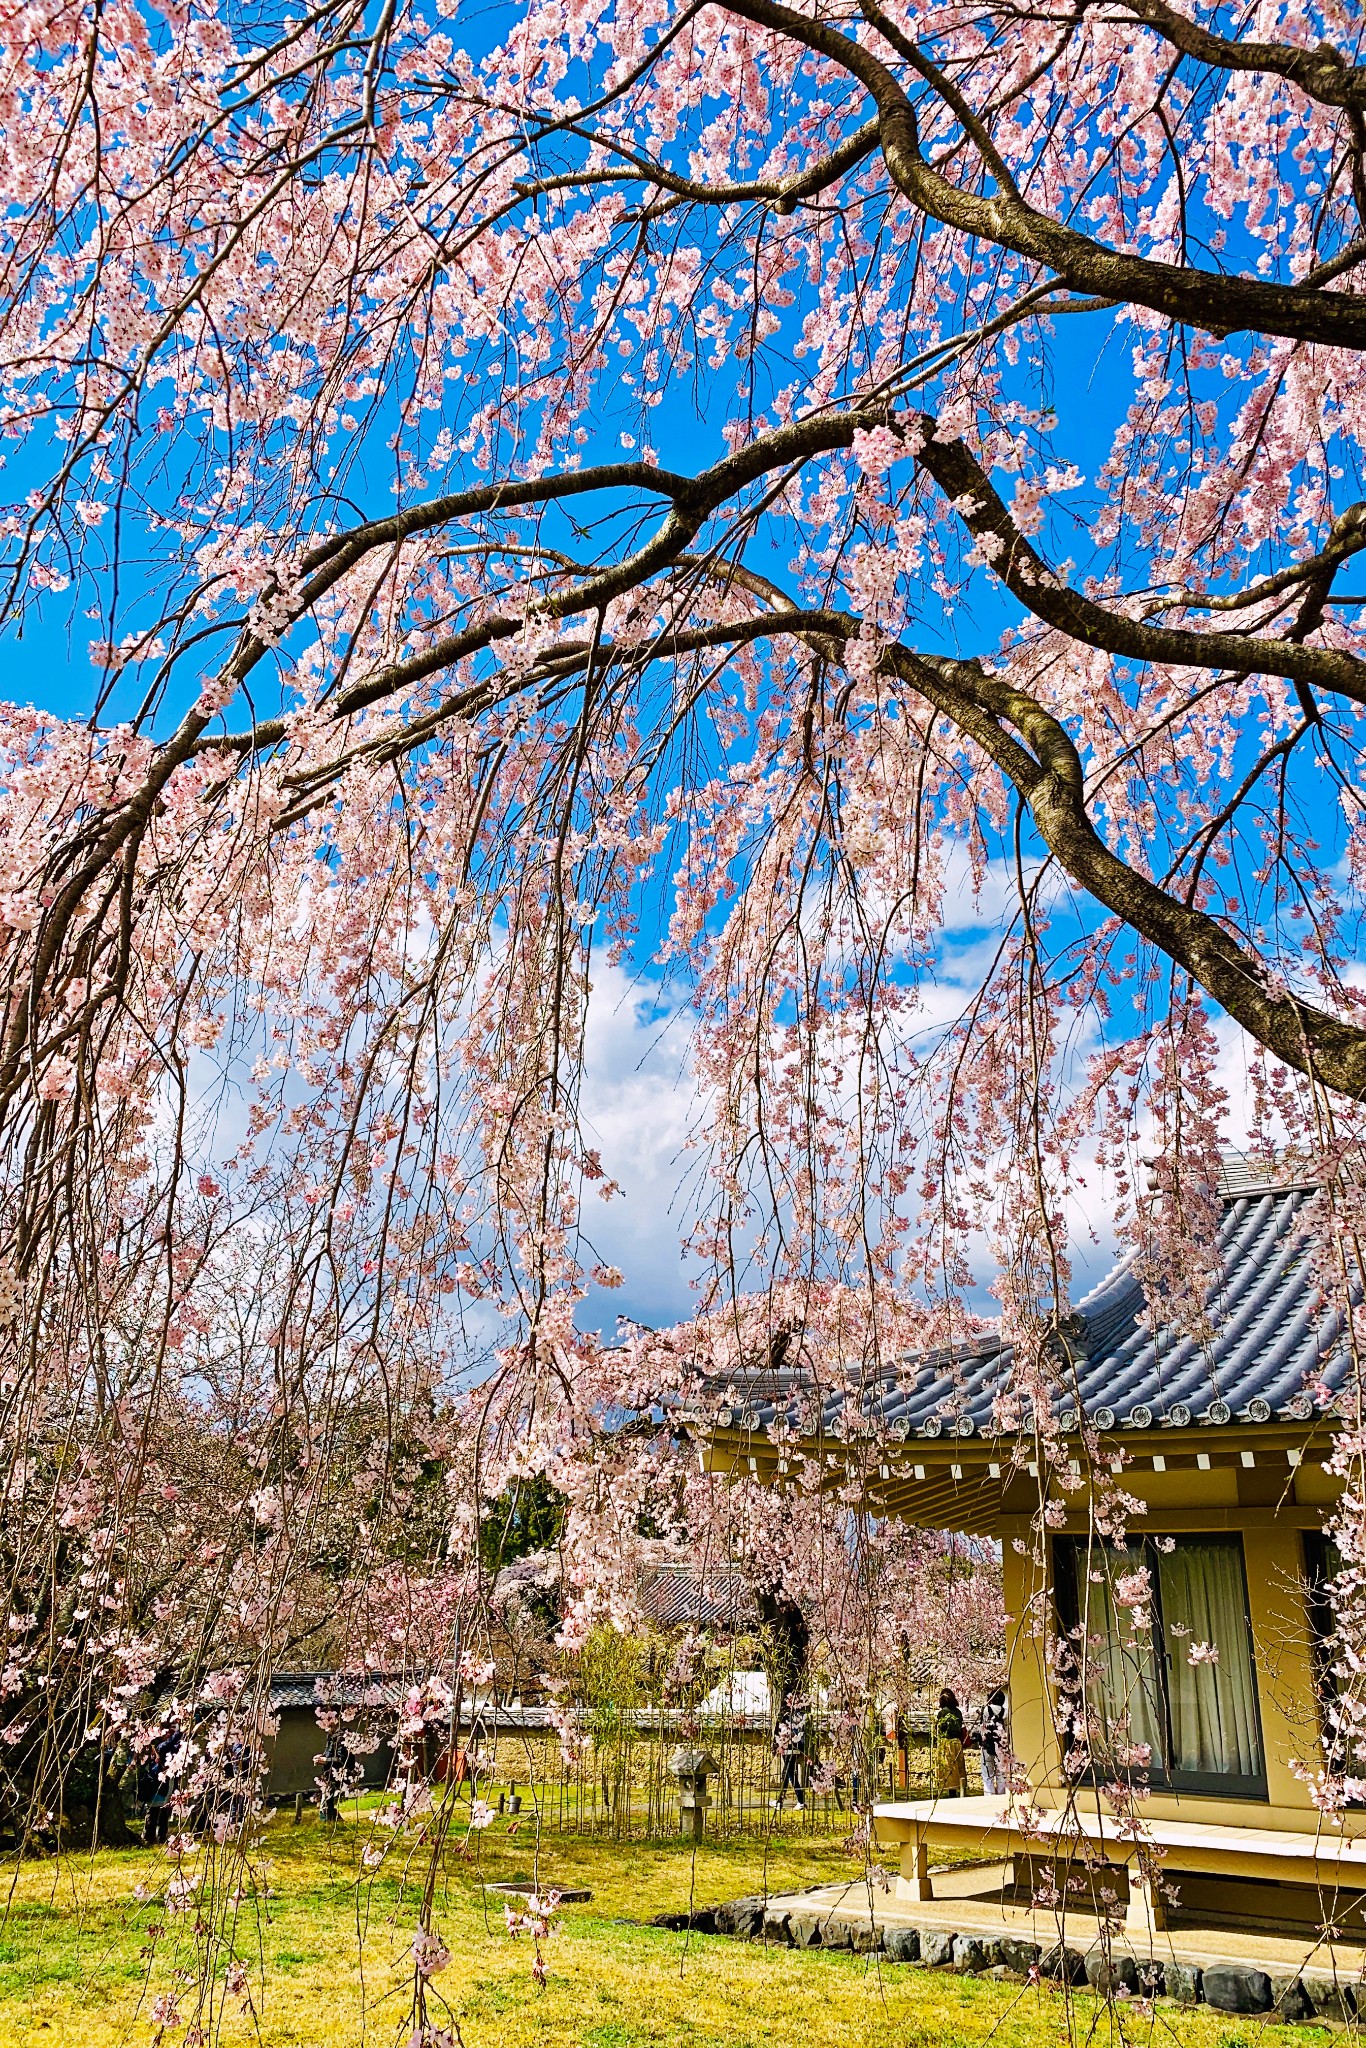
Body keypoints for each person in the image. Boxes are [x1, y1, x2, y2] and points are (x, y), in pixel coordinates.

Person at [772, 1691, 808, 1811]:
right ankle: (780, 1801)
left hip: (788, 1747)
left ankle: (800, 1800)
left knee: (790, 1773)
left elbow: (780, 1730)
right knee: (787, 1773)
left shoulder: (787, 1714)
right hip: (795, 1747)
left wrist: (778, 1744)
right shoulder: (800, 1714)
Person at [932, 1688, 966, 1798]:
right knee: (958, 1767)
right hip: (957, 1742)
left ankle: (948, 1790)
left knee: (947, 1767)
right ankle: (958, 1789)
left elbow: (940, 1728)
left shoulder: (942, 1713)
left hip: (946, 1742)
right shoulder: (958, 1712)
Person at [978, 1687, 1010, 1796]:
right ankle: (1001, 1796)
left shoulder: (986, 1710)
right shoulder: (1006, 1712)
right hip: (1001, 1745)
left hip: (987, 1745)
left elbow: (981, 1726)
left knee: (987, 1774)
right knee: (1001, 1774)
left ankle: (989, 1796)